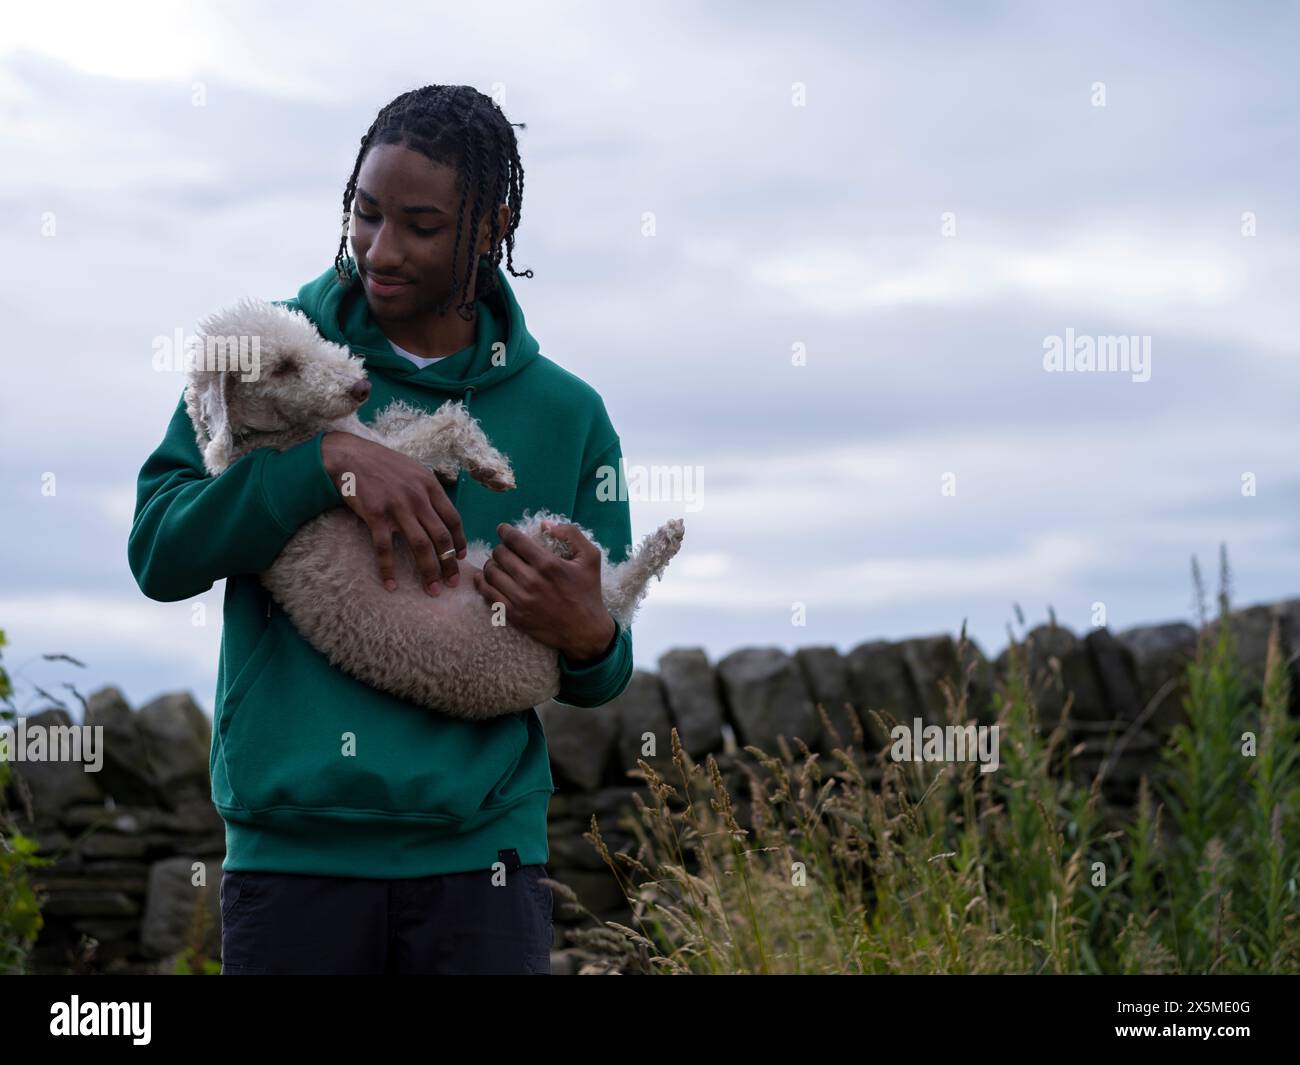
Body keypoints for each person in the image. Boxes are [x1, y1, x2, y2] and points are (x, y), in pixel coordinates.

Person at [127, 85, 634, 974]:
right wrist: (320, 466)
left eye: (421, 224)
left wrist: (590, 634)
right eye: (364, 213)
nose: (380, 249)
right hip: (293, 860)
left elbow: (601, 669)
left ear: (491, 225)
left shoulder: (567, 414)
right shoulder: (265, 357)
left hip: (483, 863)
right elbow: (161, 551)